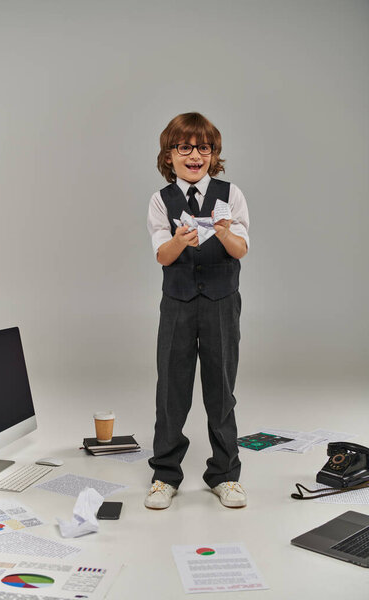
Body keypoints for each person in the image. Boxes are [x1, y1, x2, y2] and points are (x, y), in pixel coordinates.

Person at [145, 112, 250, 509]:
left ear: (213, 154)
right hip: (178, 302)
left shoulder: (230, 194)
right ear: (169, 155)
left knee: (221, 387)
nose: (194, 155)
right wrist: (179, 240)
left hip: (222, 302)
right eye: (184, 147)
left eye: (203, 148)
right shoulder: (161, 200)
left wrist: (223, 231)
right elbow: (162, 255)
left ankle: (224, 474)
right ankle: (165, 475)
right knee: (171, 387)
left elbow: (241, 250)